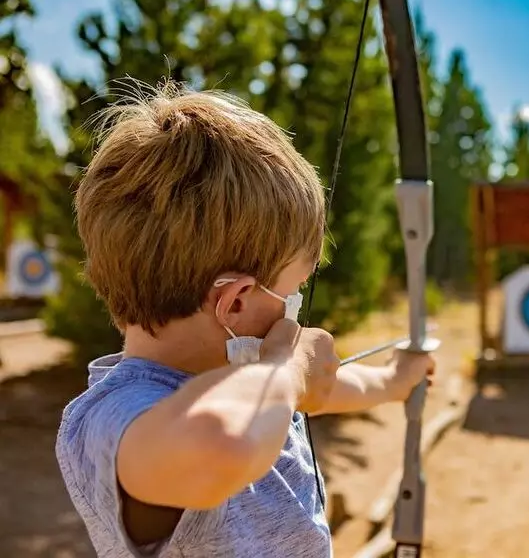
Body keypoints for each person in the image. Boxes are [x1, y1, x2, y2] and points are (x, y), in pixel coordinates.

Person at [55, 82, 436, 558]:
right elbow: (221, 440)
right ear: (234, 303)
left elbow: (324, 386)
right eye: (294, 287)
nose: (296, 303)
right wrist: (286, 371)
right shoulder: (115, 418)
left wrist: (394, 379)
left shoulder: (248, 375)